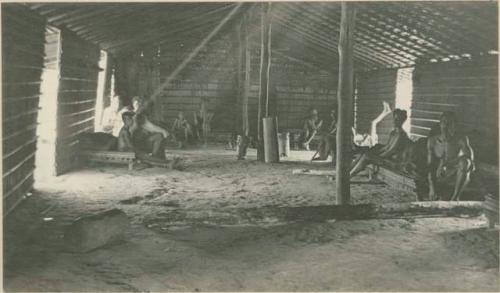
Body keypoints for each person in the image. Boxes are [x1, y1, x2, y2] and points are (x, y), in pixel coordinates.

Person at [427, 112, 474, 201]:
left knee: (465, 162)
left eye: (450, 123)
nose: (446, 125)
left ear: (454, 126)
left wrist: (446, 163)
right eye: (444, 122)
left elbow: (470, 159)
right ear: (440, 124)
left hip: (456, 173)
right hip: (440, 174)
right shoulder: (432, 141)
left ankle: (455, 197)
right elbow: (430, 166)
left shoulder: (461, 139)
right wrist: (431, 188)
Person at [350, 109, 411, 177]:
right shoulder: (393, 133)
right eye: (394, 119)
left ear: (402, 121)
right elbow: (386, 147)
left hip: (394, 162)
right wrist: (374, 153)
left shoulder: (401, 135)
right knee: (366, 153)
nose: (394, 122)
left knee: (367, 156)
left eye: (397, 120)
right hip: (387, 158)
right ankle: (346, 172)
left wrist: (375, 157)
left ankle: (349, 175)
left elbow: (390, 151)